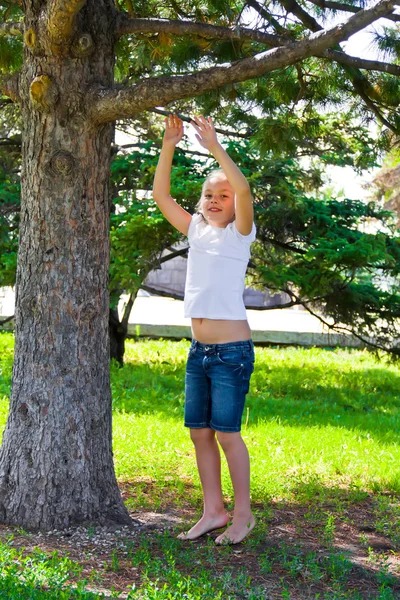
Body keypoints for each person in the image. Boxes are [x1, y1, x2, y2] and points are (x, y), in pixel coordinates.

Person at [152, 114, 256, 545]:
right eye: (208, 194)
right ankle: (214, 509)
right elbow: (161, 195)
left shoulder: (240, 235)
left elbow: (246, 187)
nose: (215, 200)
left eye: (222, 195)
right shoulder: (196, 230)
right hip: (199, 351)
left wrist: (215, 146)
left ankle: (243, 515)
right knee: (199, 432)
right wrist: (169, 145)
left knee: (228, 433)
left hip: (231, 351)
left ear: (235, 205)